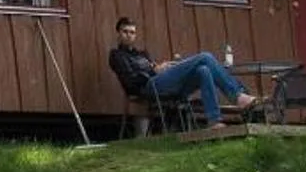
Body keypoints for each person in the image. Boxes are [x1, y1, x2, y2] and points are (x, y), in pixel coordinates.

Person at [110, 16, 258, 125]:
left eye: (132, 32)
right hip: (147, 88)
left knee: (203, 70)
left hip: (165, 85)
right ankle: (237, 95)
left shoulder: (142, 54)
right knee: (205, 57)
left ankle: (214, 121)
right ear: (118, 33)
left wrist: (164, 67)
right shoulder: (117, 56)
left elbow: (153, 68)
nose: (129, 35)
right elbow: (131, 83)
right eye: (125, 32)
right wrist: (155, 71)